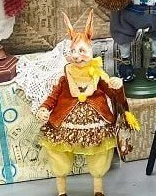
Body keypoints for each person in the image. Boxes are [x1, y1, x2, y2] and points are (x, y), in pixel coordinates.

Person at [37, 10, 139, 196]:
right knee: (60, 155)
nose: (76, 56)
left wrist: (116, 86)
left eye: (81, 51)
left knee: (99, 153)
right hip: (65, 121)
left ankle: (98, 189)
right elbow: (54, 96)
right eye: (73, 51)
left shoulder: (98, 74)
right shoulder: (65, 76)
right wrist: (44, 108)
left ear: (91, 51)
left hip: (96, 122)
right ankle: (61, 191)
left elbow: (112, 93)